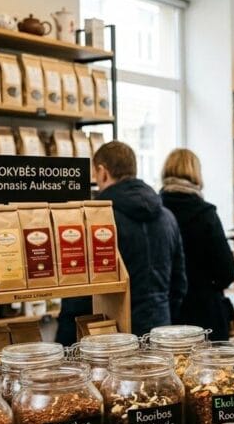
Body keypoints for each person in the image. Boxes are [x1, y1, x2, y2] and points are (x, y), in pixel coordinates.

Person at [56, 141, 186, 342]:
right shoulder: (167, 217)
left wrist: (65, 340)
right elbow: (179, 283)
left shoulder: (97, 219)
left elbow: (79, 293)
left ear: (102, 172)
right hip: (160, 332)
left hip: (111, 339)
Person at [159, 148, 234, 341]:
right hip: (204, 314)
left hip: (166, 315)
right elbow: (226, 272)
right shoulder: (205, 214)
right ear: (196, 174)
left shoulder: (155, 212)